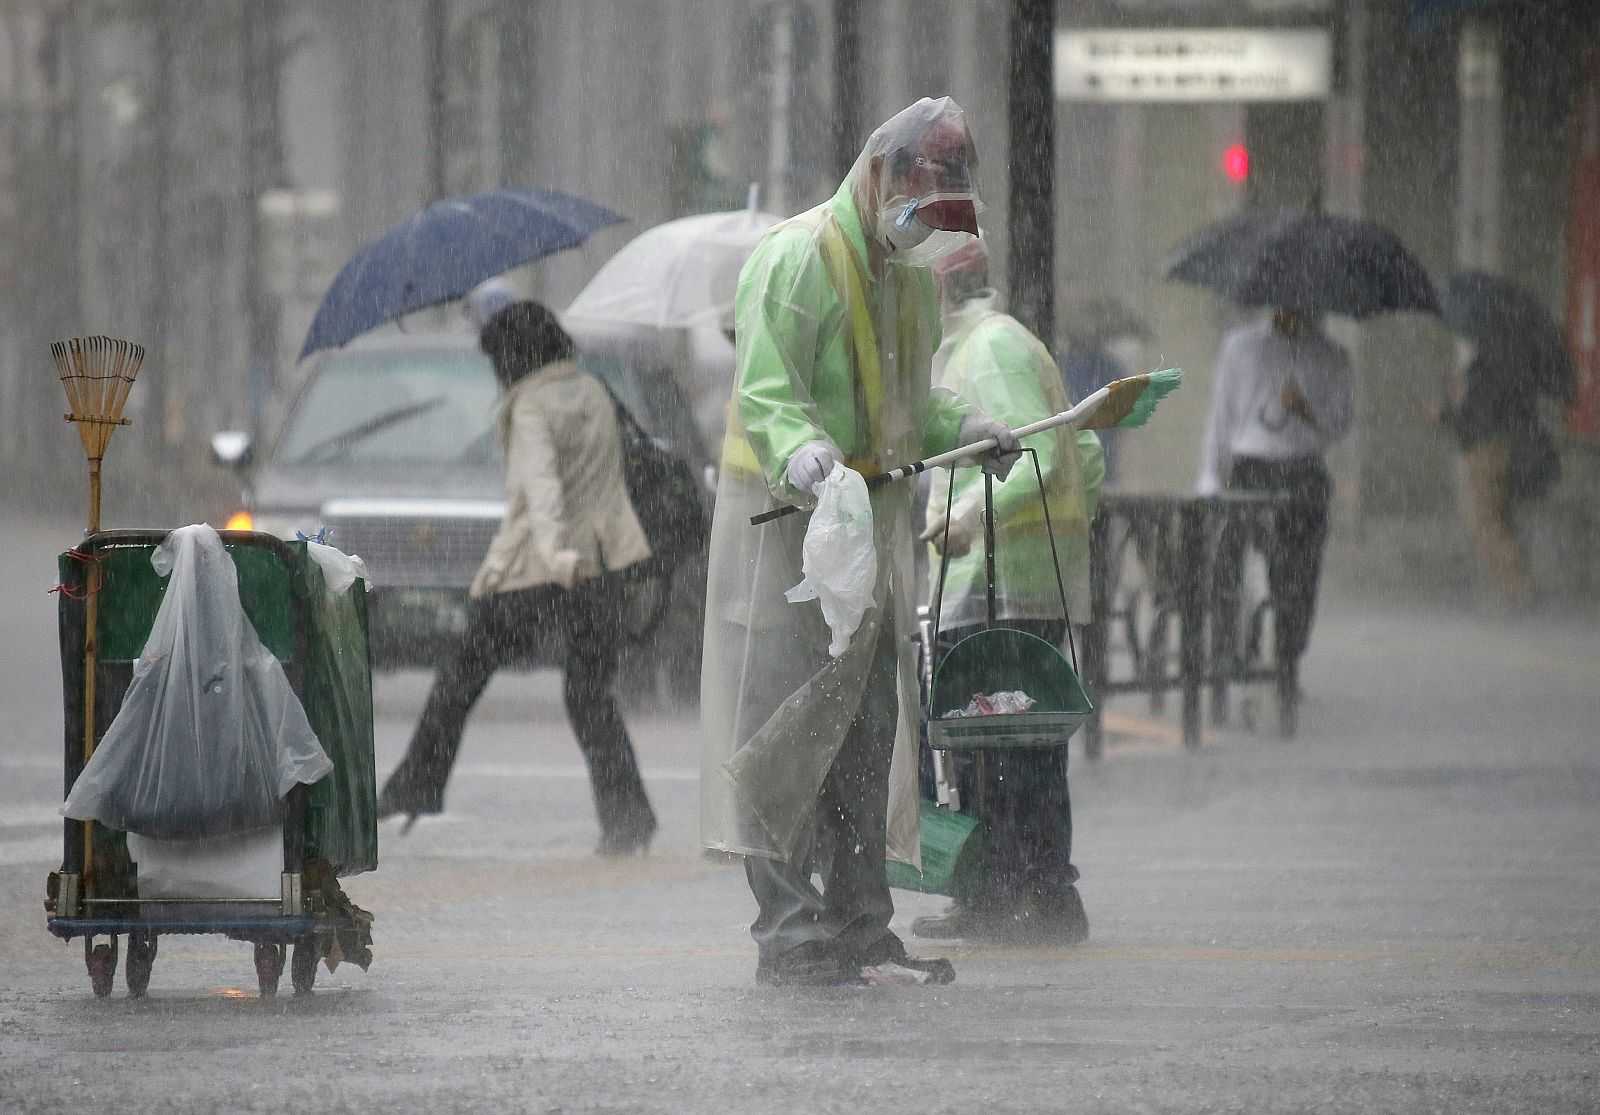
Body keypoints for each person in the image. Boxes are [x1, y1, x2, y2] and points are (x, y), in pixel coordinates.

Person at [700, 97, 1019, 987]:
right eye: (924, 213)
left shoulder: (908, 275)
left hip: (867, 529)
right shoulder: (797, 258)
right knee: (785, 732)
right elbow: (769, 389)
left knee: (865, 732)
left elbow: (910, 403)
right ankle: (791, 929)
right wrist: (805, 456)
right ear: (883, 175)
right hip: (784, 534)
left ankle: (857, 919)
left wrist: (973, 424)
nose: (930, 237)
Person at [378, 301, 658, 855]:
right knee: (590, 696)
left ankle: (414, 787)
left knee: (460, 679)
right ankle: (628, 819)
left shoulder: (530, 406)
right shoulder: (595, 391)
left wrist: (555, 555)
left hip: (536, 571)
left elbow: (541, 491)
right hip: (602, 567)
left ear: (511, 357)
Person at [911, 235, 1104, 944]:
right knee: (999, 743)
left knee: (1007, 745)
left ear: (937, 287)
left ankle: (1035, 895)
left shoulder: (990, 349)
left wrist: (971, 519)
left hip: (1002, 586)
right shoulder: (984, 345)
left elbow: (1047, 458)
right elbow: (1081, 453)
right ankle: (1006, 892)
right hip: (995, 584)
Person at [1198, 307, 1352, 725]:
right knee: (1228, 568)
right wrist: (1211, 476)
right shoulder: (1240, 347)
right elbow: (1222, 416)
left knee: (1298, 578)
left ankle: (1287, 662)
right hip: (1251, 471)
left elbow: (1340, 424)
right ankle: (1232, 656)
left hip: (1303, 473)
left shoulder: (1331, 356)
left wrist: (1306, 411)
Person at [1433, 336, 1561, 607]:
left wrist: (1443, 412)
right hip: (1499, 450)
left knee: (1485, 524)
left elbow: (1471, 420)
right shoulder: (1499, 373)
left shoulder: (1478, 378)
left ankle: (1516, 588)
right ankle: (1510, 586)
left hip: (1482, 454)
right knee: (1497, 521)